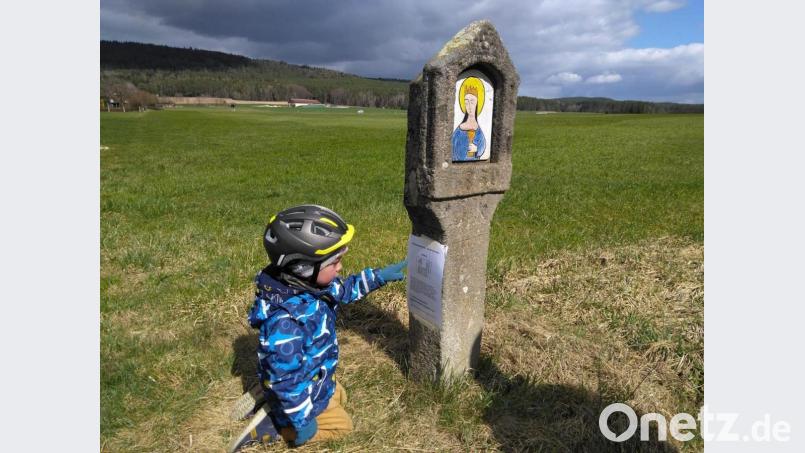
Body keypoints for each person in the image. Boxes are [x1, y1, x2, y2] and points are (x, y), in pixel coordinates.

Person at [229, 204, 407, 452]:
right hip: (294, 385)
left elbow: (343, 290)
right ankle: (278, 426)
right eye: (335, 262)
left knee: (338, 394)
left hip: (309, 374)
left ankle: (270, 395)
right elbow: (286, 378)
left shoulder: (311, 286)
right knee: (341, 427)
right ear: (303, 267)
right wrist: (302, 423)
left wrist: (377, 277)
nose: (340, 268)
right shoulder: (285, 323)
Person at [451, 80, 487, 161]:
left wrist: (477, 149)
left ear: (477, 103)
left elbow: (483, 145)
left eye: (472, 102)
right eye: (466, 102)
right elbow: (453, 146)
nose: (469, 106)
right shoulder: (459, 129)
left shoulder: (478, 129)